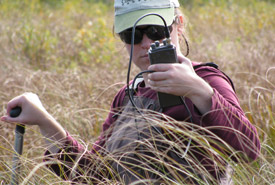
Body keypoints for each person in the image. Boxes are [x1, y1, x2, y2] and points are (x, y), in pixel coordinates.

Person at [1, 0, 260, 184]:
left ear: (178, 24)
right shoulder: (128, 96)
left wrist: (198, 91)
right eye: (133, 34)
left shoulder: (208, 79)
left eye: (156, 31)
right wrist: (44, 121)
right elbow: (94, 174)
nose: (146, 43)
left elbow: (250, 150)